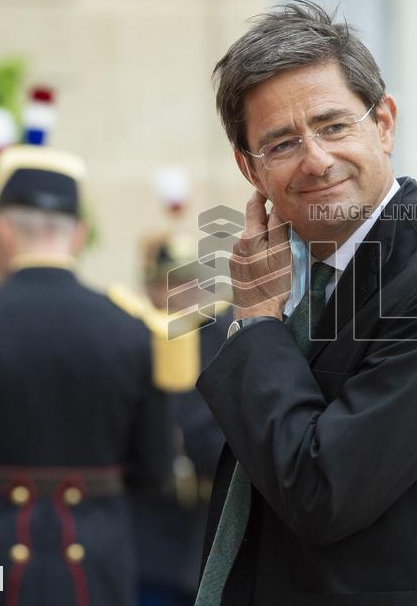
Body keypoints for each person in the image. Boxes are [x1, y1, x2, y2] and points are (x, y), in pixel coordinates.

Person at [193, 0, 417, 606]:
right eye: (281, 143)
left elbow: (322, 491)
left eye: (333, 126)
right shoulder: (289, 275)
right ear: (249, 169)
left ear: (383, 124)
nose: (317, 159)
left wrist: (256, 323)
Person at [0, 145, 172, 606]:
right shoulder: (134, 333)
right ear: (78, 234)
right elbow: (156, 469)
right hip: (96, 571)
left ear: (0, 228)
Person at [132, 233, 229, 606]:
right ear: (151, 287)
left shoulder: (228, 337)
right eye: (171, 281)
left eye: (193, 280)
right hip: (151, 529)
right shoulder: (136, 339)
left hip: (211, 521)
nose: (185, 291)